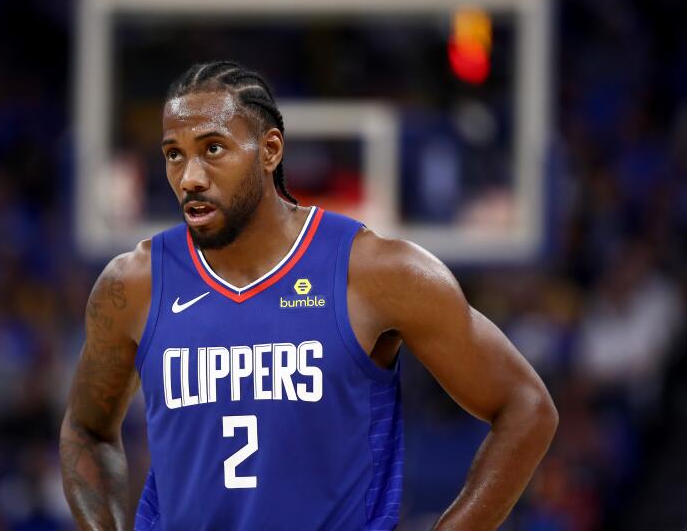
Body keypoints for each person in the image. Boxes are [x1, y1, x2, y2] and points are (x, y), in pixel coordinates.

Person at [59, 61, 558, 531]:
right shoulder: (134, 283)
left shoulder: (375, 272)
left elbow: (526, 407)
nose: (189, 177)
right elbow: (86, 429)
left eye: (212, 148)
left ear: (271, 150)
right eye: (174, 154)